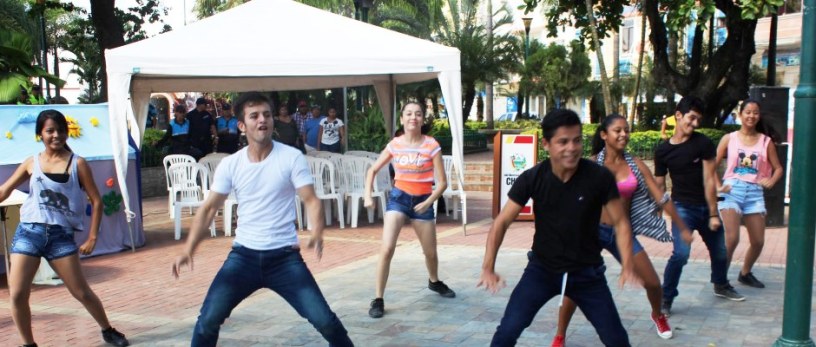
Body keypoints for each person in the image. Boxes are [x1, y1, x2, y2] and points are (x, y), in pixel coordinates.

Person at [171, 92, 353, 347]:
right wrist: (188, 249)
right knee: (207, 321)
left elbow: (311, 199)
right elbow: (209, 208)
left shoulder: (291, 157)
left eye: (266, 115)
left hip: (284, 259)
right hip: (243, 258)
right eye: (254, 116)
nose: (262, 120)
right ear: (241, 125)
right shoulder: (231, 164)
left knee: (325, 321)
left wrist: (317, 232)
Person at [478, 109, 636, 347]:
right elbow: (501, 222)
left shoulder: (599, 177)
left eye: (577, 140)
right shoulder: (532, 178)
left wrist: (628, 264)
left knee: (617, 340)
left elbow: (621, 223)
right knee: (507, 331)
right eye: (563, 142)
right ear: (546, 144)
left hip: (587, 273)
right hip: (542, 271)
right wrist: (488, 267)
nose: (571, 148)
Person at [551, 114, 694, 346]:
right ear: (604, 135)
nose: (623, 134)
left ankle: (658, 315)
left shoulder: (634, 164)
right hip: (592, 233)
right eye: (617, 130)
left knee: (653, 282)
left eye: (626, 130)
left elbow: (660, 196)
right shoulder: (590, 165)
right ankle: (560, 335)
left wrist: (681, 225)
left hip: (621, 232)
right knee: (576, 284)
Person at [0, 110, 130, 347]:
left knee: (81, 292)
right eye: (50, 131)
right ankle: (28, 344)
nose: (56, 135)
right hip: (29, 232)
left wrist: (92, 237)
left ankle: (108, 330)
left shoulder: (77, 164)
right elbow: (4, 190)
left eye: (61, 130)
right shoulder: (31, 162)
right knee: (17, 294)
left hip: (60, 237)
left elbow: (97, 201)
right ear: (40, 134)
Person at [363, 102, 455, 319]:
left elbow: (442, 182)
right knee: (387, 248)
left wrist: (429, 202)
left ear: (422, 119)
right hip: (399, 198)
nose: (413, 117)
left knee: (430, 252)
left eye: (418, 114)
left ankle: (434, 281)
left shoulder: (431, 145)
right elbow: (372, 170)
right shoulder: (395, 144)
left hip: (423, 200)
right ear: (402, 119)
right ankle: (378, 299)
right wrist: (368, 196)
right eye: (409, 114)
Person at [656, 96, 745, 318]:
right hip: (682, 208)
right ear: (678, 115)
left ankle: (720, 284)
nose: (695, 123)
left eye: (698, 119)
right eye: (692, 118)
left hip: (706, 207)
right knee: (680, 255)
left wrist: (713, 213)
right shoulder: (663, 151)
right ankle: (666, 298)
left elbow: (708, 179)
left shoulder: (702, 143)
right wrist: (659, 211)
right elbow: (659, 186)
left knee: (720, 250)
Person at [715, 99, 783, 289]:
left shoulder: (765, 141)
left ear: (759, 116)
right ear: (740, 114)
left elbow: (778, 168)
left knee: (758, 241)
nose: (751, 116)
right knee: (732, 239)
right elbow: (711, 165)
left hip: (754, 193)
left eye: (755, 113)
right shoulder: (729, 138)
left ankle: (745, 273)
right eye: (748, 112)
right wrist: (718, 185)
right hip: (732, 191)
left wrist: (771, 180)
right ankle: (720, 280)